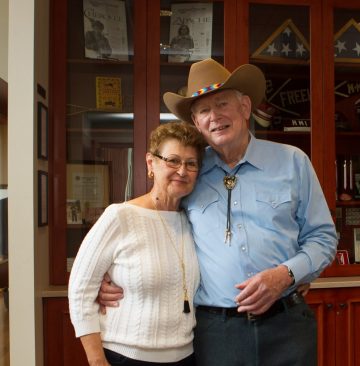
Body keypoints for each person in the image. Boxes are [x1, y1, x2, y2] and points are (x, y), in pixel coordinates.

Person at [99, 58, 338, 366]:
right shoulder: (188, 172)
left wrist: (287, 274)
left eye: (223, 103)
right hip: (216, 332)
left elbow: (323, 237)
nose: (215, 117)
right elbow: (153, 222)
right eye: (203, 110)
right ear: (196, 123)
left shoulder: (292, 162)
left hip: (287, 324)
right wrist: (109, 273)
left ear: (245, 108)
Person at [68, 121, 207, 366]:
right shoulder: (119, 216)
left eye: (191, 163)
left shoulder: (193, 221)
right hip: (126, 357)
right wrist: (97, 361)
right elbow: (80, 291)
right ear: (151, 162)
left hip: (186, 357)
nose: (182, 171)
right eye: (172, 160)